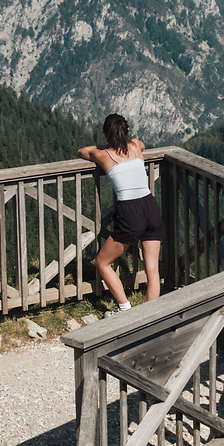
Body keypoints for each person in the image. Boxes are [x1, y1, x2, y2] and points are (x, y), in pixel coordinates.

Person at [78, 113, 163, 307]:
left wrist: (104, 146)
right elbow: (141, 145)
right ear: (126, 132)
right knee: (153, 270)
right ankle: (151, 319)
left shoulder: (103, 154)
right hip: (150, 206)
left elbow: (82, 151)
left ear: (106, 135)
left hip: (130, 211)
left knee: (102, 262)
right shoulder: (134, 145)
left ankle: (125, 309)